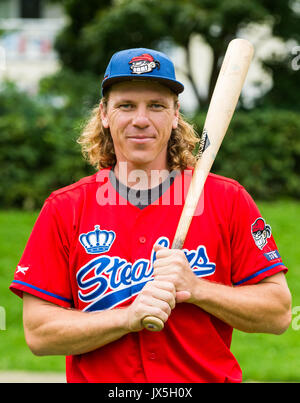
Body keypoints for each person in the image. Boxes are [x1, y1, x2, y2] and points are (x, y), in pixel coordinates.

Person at [10, 48, 291, 383]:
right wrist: (127, 318)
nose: (140, 119)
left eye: (156, 106)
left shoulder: (227, 199)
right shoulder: (65, 208)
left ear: (175, 114)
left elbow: (278, 312)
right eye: (126, 105)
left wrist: (197, 288)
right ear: (104, 113)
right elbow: (40, 333)